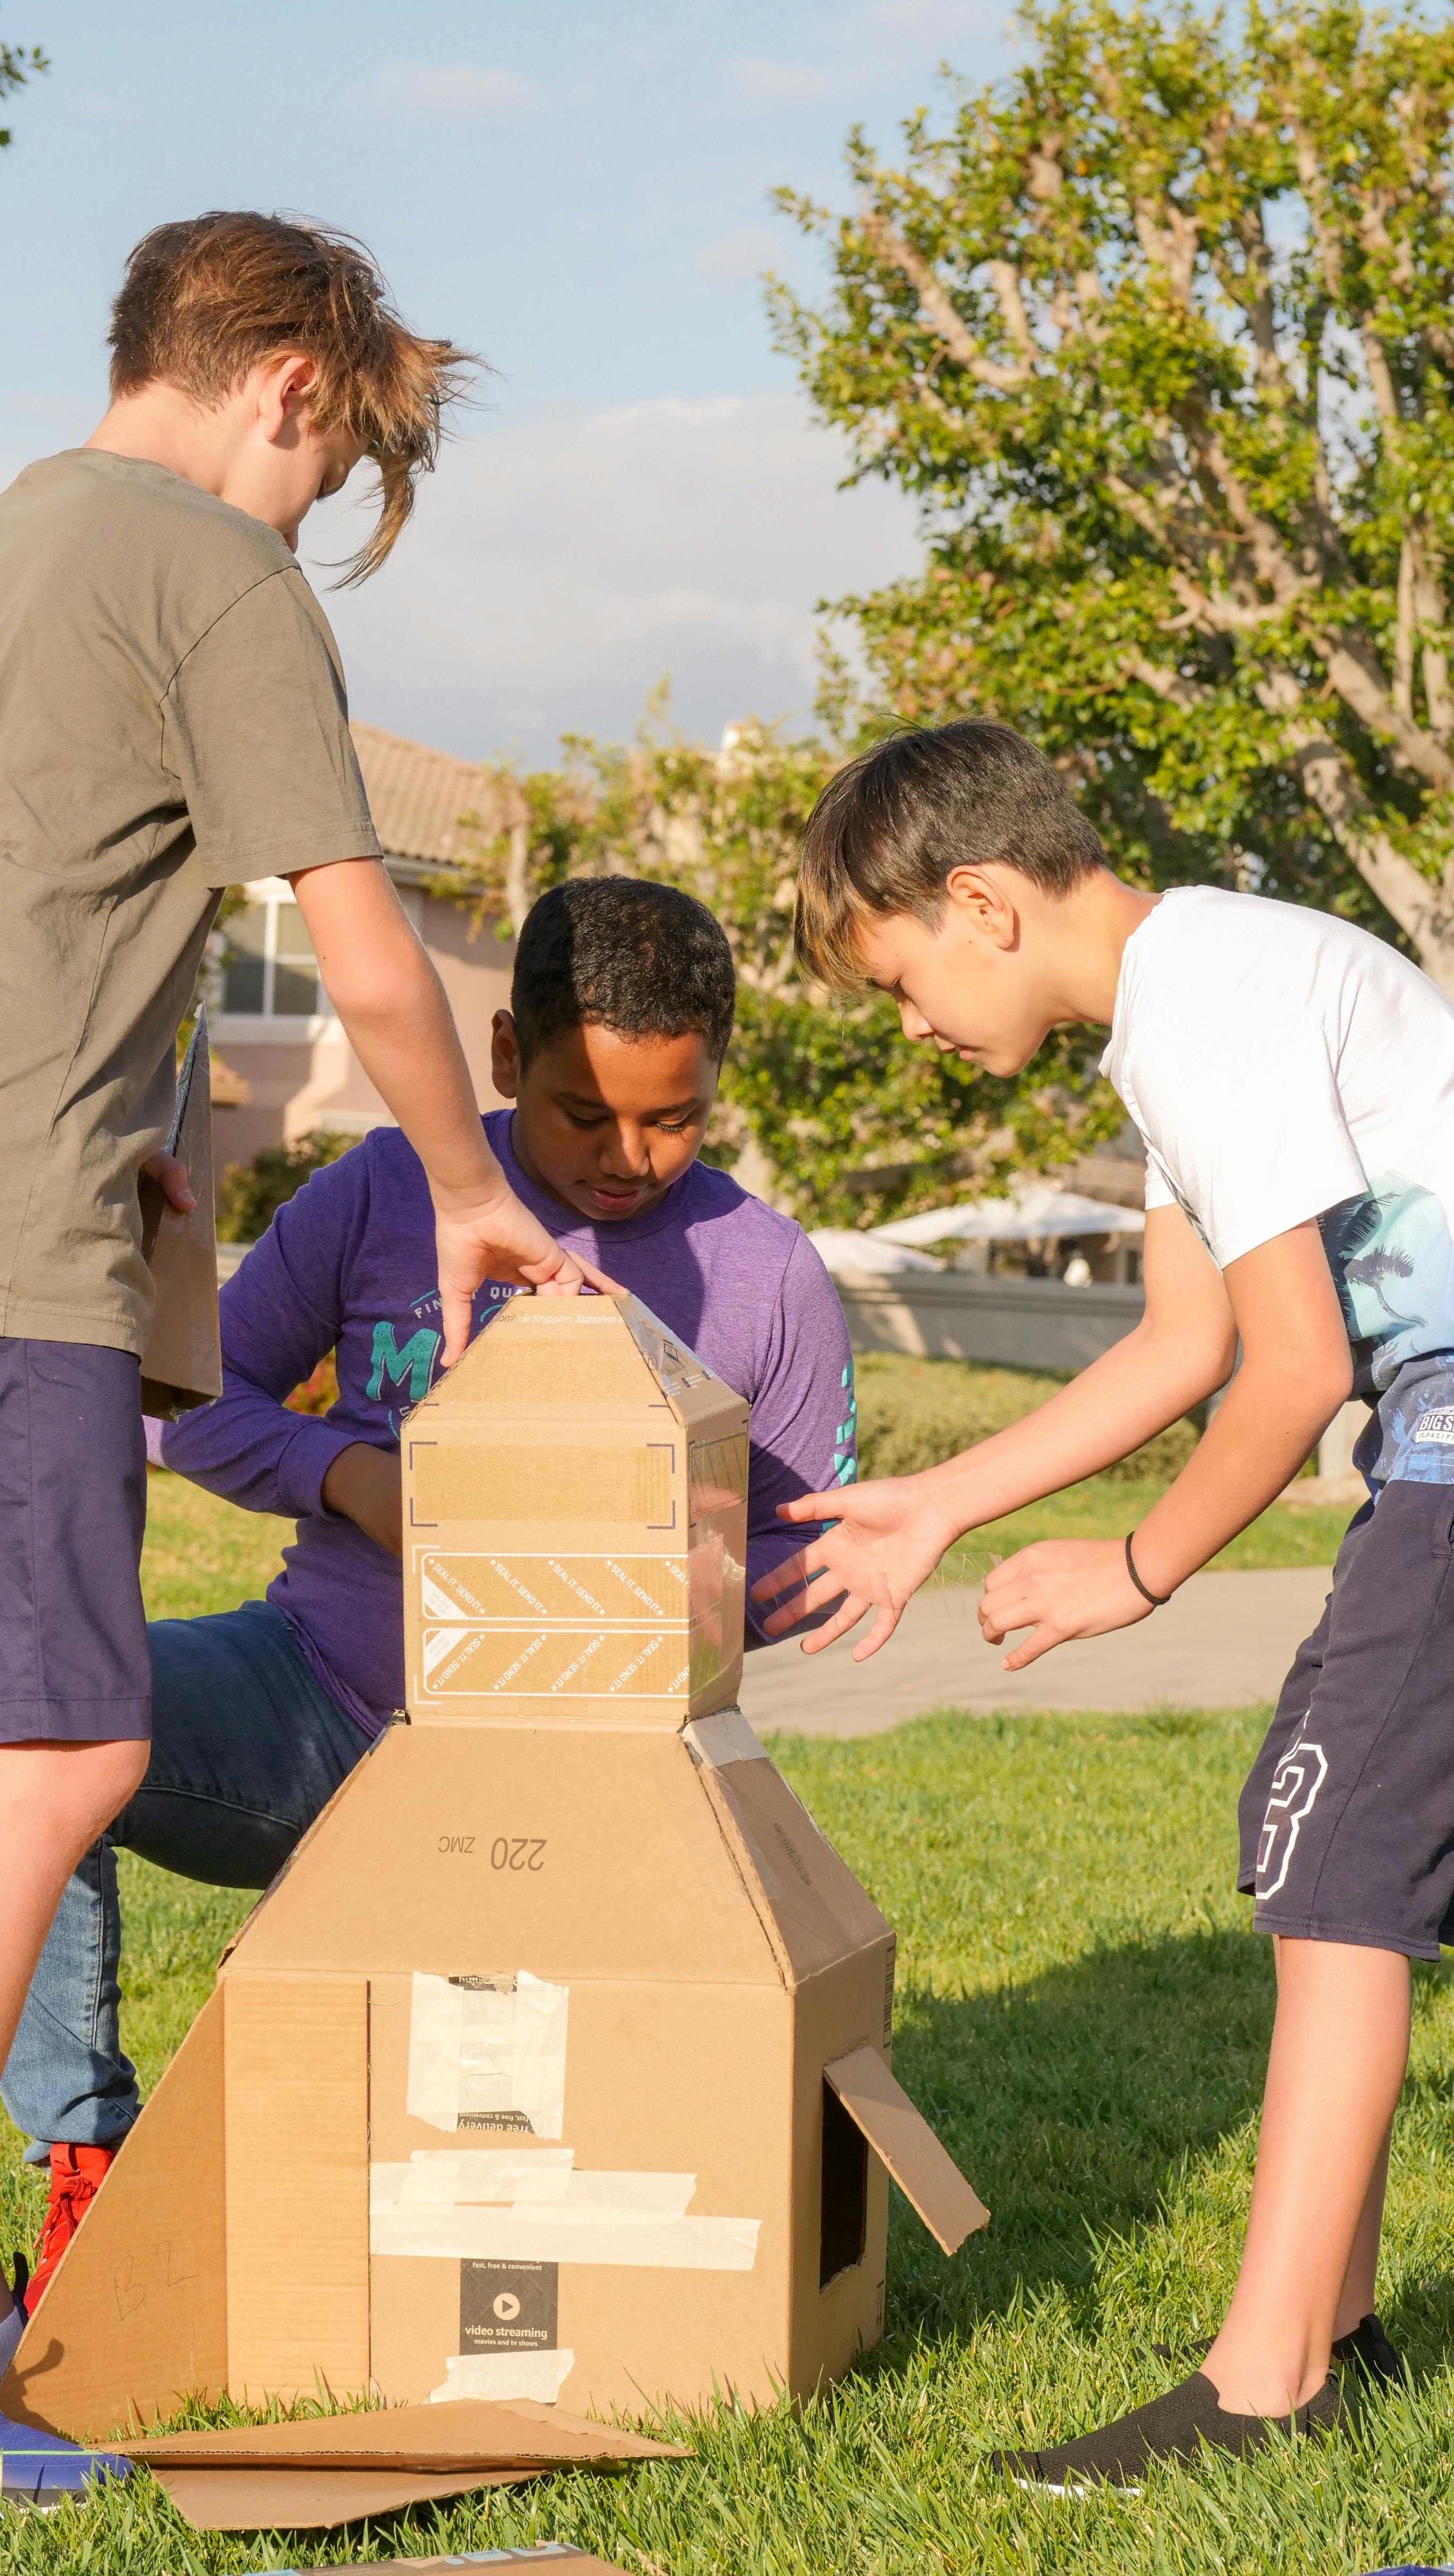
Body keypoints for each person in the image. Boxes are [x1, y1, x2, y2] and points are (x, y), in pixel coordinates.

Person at [0, 213, 604, 2355]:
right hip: (19, 1260)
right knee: (61, 1750)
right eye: (330, 478)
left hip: (67, 1202)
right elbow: (361, 936)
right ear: (288, 383)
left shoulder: (25, 537)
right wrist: (460, 1184)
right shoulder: (209, 565)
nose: (311, 519)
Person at [753, 717, 1454, 2487]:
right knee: (1337, 1849)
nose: (911, 1027)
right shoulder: (1187, 997)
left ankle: (1268, 2379)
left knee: (1332, 1853)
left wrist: (1140, 1570)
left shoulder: (1206, 999)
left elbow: (1291, 1372)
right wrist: (937, 1504)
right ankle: (1338, 2336)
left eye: (901, 977)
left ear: (980, 903)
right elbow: (1183, 1339)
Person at [4, 876, 855, 2303]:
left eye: (675, 1116)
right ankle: (94, 2162)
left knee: (492, 2168)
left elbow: (806, 1544)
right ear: (508, 1057)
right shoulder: (386, 1191)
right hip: (322, 1706)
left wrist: (658, 1573)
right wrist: (357, 1479)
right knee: (36, 1714)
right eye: (587, 1113)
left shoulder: (766, 1275)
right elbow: (184, 1397)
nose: (630, 1156)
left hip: (590, 1788)